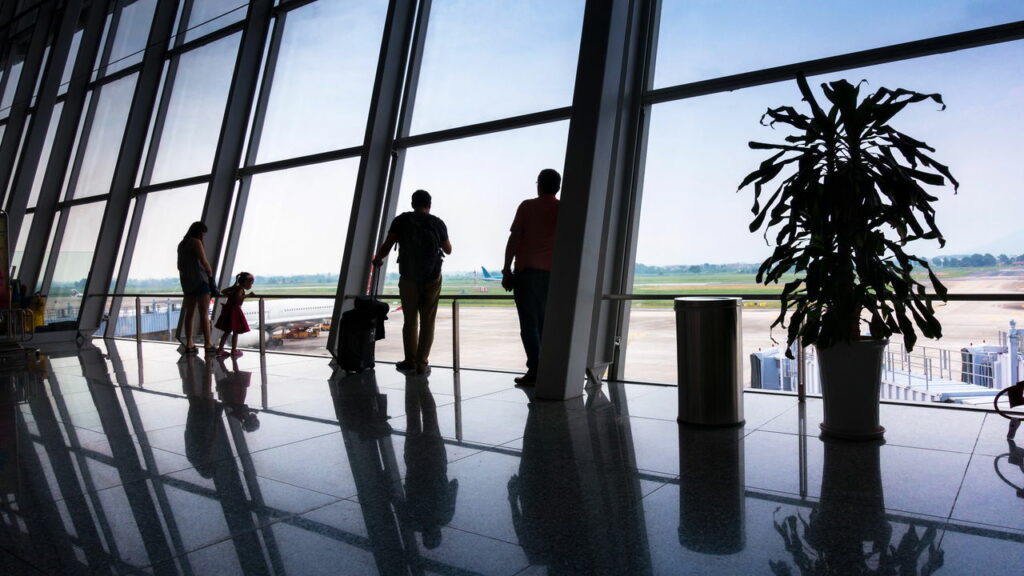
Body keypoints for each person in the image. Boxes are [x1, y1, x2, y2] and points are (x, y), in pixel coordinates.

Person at [373, 190, 452, 375]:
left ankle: (410, 360)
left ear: (412, 204)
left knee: (410, 321)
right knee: (427, 321)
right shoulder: (437, 223)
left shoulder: (401, 220)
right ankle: (422, 363)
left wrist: (378, 258)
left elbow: (388, 244)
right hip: (432, 277)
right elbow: (448, 250)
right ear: (429, 205)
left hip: (409, 276)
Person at [502, 169, 561, 385]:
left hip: (527, 275)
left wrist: (506, 270)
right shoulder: (563, 209)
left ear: (539, 185)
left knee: (529, 326)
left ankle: (535, 370)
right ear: (558, 187)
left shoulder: (527, 207)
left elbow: (514, 239)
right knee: (546, 325)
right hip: (553, 277)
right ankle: (548, 369)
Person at [177, 221, 214, 355]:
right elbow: (204, 262)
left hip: (187, 283)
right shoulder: (196, 242)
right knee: (204, 313)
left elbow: (179, 266)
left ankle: (189, 343)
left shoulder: (182, 244)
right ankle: (208, 344)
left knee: (190, 313)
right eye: (203, 234)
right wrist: (210, 276)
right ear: (199, 232)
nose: (204, 236)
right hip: (200, 281)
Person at [214, 272, 254, 357]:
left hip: (229, 310)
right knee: (235, 332)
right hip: (235, 311)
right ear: (245, 282)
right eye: (250, 283)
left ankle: (220, 349)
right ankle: (233, 350)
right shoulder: (240, 289)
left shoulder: (235, 288)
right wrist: (248, 295)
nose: (251, 286)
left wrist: (231, 291)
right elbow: (237, 298)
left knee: (227, 331)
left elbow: (223, 291)